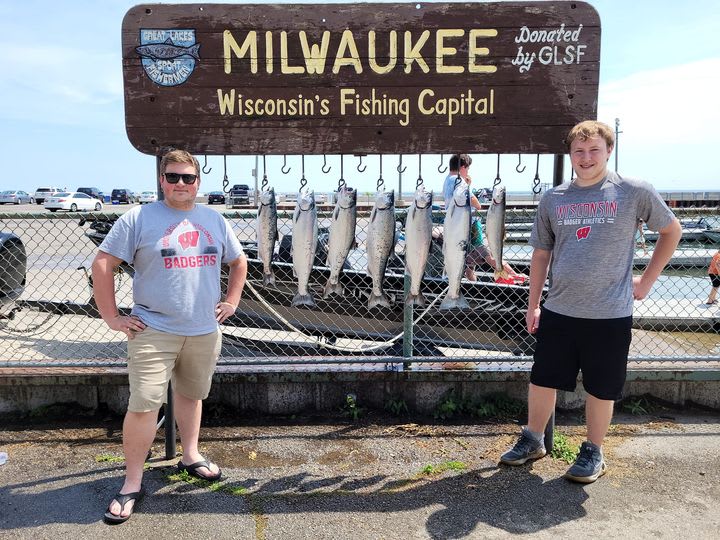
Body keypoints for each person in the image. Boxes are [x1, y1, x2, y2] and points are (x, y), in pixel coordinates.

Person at [499, 120, 682, 483]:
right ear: (570, 154)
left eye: (594, 150)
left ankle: (593, 451)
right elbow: (540, 255)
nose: (586, 158)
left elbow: (671, 230)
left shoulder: (633, 191)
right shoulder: (555, 198)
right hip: (559, 309)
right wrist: (533, 304)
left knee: (601, 386)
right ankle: (533, 439)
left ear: (608, 150)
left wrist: (646, 281)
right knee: (542, 379)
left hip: (610, 313)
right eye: (578, 151)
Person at [93, 149, 247, 523]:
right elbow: (103, 262)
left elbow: (238, 261)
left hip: (203, 329)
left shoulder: (213, 219)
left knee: (192, 396)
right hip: (152, 329)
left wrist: (231, 300)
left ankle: (191, 454)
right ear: (162, 180)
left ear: (198, 182)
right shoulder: (138, 218)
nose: (181, 184)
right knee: (144, 405)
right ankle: (132, 481)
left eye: (188, 178)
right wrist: (112, 317)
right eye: (173, 177)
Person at [442, 154, 521, 281]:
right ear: (463, 167)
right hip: (470, 224)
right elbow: (475, 203)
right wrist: (468, 186)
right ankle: (516, 276)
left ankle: (473, 284)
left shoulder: (447, 180)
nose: (468, 172)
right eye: (467, 169)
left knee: (468, 260)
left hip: (455, 226)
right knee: (487, 254)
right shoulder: (458, 180)